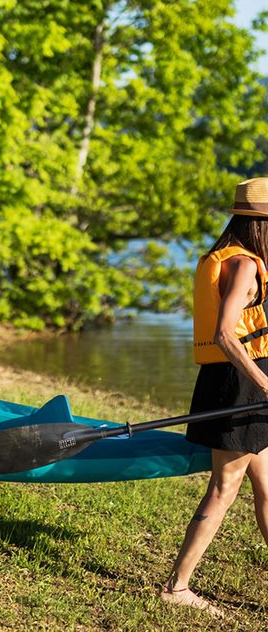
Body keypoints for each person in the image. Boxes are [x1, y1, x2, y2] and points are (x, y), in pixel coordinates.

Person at [161, 177, 268, 616]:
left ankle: (178, 584)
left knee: (267, 486)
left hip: (238, 379)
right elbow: (225, 333)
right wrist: (263, 385)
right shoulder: (243, 265)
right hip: (240, 384)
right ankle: (176, 586)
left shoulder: (222, 256)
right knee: (224, 489)